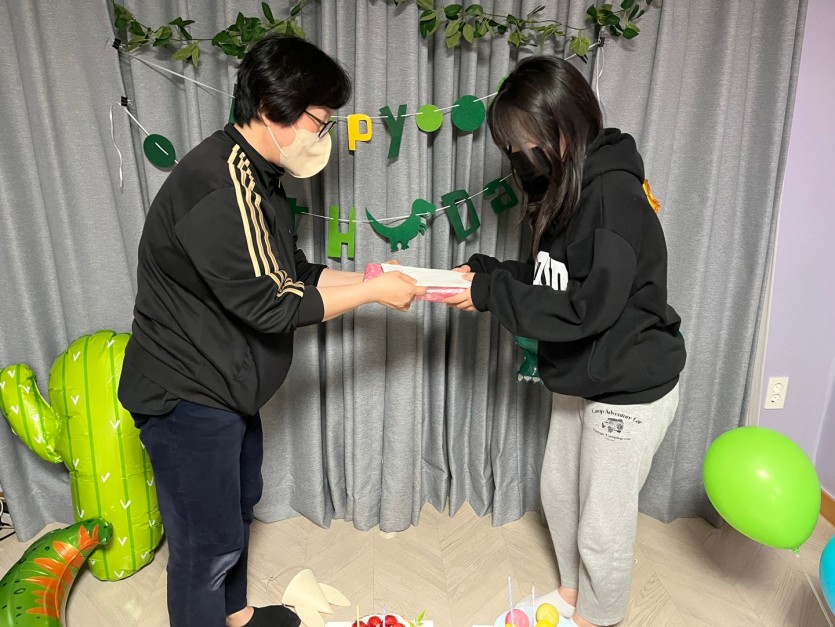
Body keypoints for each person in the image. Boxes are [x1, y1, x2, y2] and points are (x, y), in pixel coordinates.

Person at [118, 35, 425, 627]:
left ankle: (236, 615)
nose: (323, 136)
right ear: (269, 107)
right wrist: (373, 294)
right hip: (186, 395)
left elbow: (292, 273)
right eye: (319, 121)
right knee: (203, 549)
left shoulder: (261, 177)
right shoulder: (220, 186)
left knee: (235, 513)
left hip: (227, 384)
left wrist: (373, 277)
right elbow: (273, 305)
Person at [445, 55, 686, 627]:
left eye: (523, 143)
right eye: (510, 147)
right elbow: (555, 279)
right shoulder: (567, 186)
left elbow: (585, 308)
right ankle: (575, 597)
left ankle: (599, 617)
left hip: (628, 383)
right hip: (585, 370)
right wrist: (487, 273)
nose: (517, 157)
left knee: (603, 522)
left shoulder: (613, 196)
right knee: (559, 492)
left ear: (564, 125)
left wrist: (489, 294)